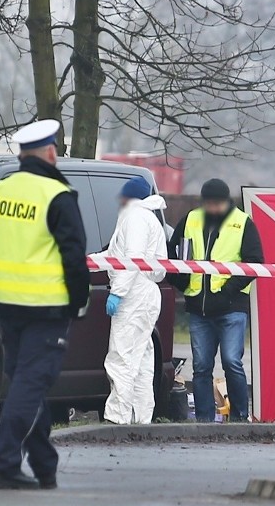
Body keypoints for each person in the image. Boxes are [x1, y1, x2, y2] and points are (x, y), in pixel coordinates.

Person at [0, 119, 90, 491]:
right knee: (30, 385)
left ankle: (45, 466)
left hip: (4, 303)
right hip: (45, 306)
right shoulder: (58, 195)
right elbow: (74, 255)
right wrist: (79, 302)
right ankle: (4, 464)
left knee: (26, 385)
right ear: (50, 153)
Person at [167, 179, 263, 422]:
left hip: (232, 308)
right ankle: (204, 421)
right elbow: (171, 255)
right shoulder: (190, 219)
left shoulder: (242, 223)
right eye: (208, 203)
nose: (212, 208)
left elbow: (254, 263)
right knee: (201, 368)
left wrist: (227, 291)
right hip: (199, 308)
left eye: (216, 204)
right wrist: (181, 282)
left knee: (232, 362)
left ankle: (241, 418)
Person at [102, 176, 168, 424]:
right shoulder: (148, 218)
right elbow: (116, 254)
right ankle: (141, 418)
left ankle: (117, 418)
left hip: (134, 293)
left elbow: (132, 259)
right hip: (147, 291)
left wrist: (118, 292)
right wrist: (91, 260)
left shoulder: (135, 217)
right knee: (141, 360)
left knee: (121, 356)